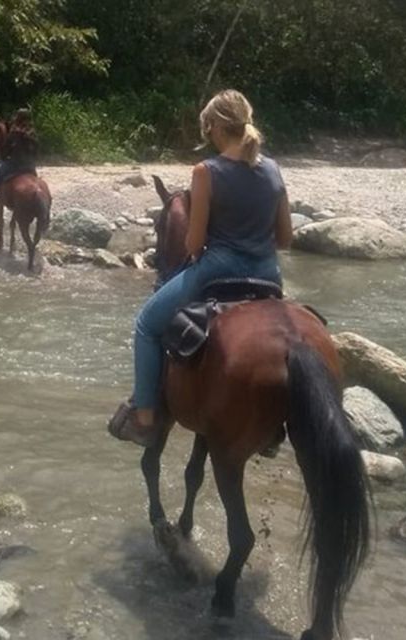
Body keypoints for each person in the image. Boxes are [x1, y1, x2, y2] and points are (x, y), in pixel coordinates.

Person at [108, 89, 293, 447]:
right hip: (269, 276)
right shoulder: (273, 168)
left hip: (218, 270)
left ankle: (145, 417)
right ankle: (271, 430)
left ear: (213, 128)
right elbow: (285, 239)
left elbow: (193, 245)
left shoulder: (206, 171)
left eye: (206, 129)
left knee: (146, 324)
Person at [0, 109, 38, 211]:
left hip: (15, 164)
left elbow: (5, 151)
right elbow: (36, 150)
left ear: (18, 118)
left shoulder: (14, 133)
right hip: (30, 166)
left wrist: (4, 157)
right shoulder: (32, 132)